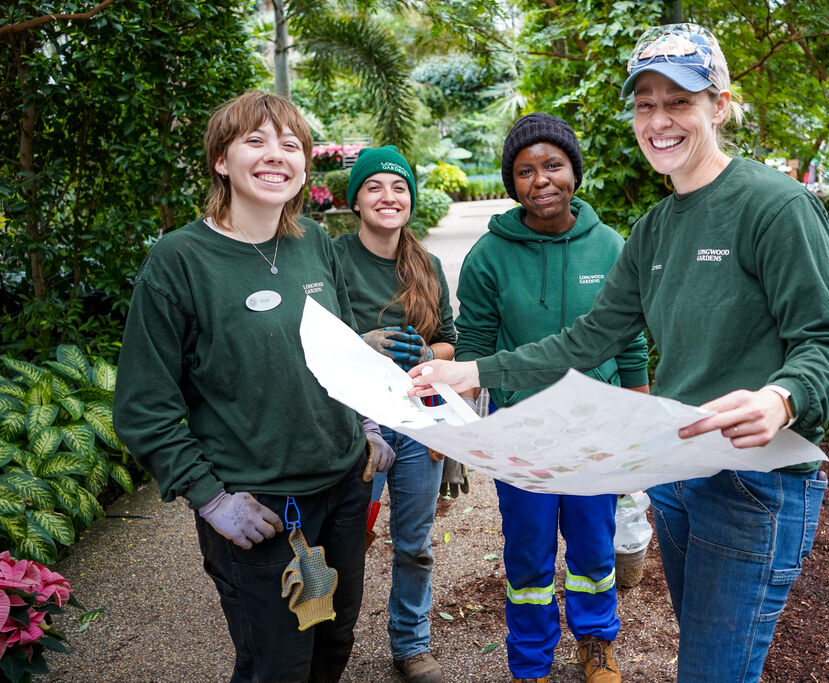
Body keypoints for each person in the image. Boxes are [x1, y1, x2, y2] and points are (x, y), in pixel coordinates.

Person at [408, 23, 829, 683]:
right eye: (646, 102)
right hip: (679, 478)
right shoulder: (654, 230)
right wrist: (469, 369)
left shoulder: (774, 206)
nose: (659, 119)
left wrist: (781, 396)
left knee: (713, 672)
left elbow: (827, 343)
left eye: (680, 100)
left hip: (755, 485)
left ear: (720, 105)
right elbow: (589, 339)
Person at [113, 91, 393, 682]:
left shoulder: (314, 242)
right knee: (276, 666)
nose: (276, 156)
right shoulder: (179, 260)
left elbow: (341, 351)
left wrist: (367, 423)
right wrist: (211, 499)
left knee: (334, 644)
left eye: (290, 144)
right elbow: (144, 405)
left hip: (344, 489)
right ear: (222, 159)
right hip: (260, 507)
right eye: (256, 141)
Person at [454, 113, 649, 683]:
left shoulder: (611, 246)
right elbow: (474, 353)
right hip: (523, 434)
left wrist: (637, 424)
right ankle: (531, 661)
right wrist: (459, 435)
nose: (541, 180)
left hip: (597, 430)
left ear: (574, 172)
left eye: (553, 166)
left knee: (594, 548)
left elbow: (631, 342)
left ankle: (596, 644)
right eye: (525, 171)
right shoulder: (488, 258)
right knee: (528, 554)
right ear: (512, 182)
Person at [334, 146, 455, 683]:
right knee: (346, 537)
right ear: (355, 199)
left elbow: (454, 343)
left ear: (411, 199)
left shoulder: (424, 266)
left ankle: (412, 646)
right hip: (355, 425)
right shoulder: (332, 258)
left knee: (414, 544)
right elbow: (311, 338)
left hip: (416, 420)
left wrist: (429, 355)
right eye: (375, 186)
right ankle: (327, 645)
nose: (389, 196)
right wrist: (363, 344)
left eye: (399, 187)